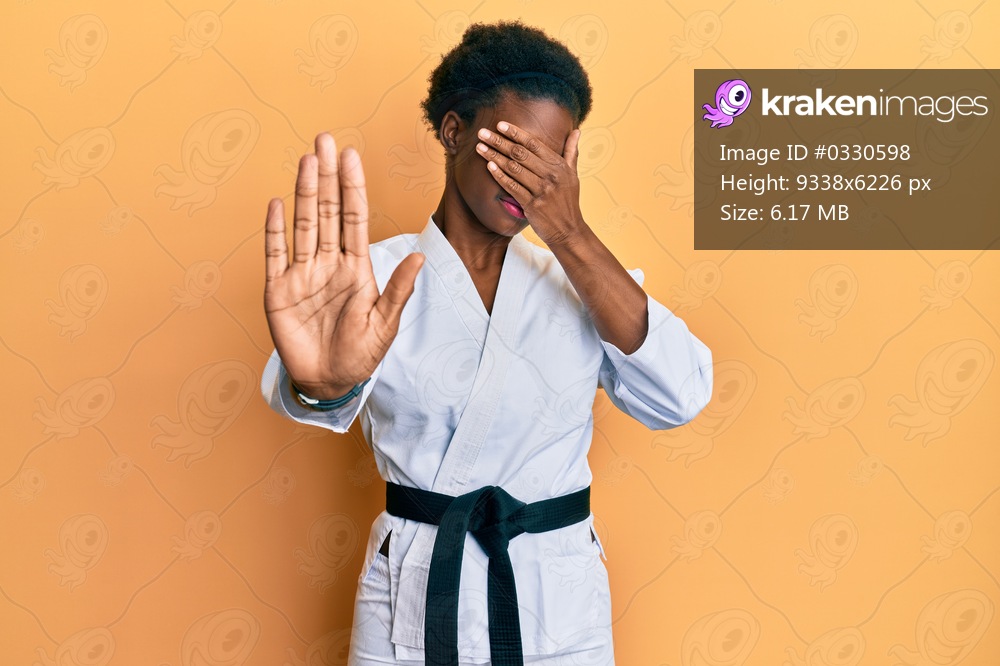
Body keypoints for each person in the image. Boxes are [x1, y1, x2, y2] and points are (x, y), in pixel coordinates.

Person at [260, 20, 713, 666]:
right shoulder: (370, 278)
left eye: (549, 164)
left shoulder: (585, 284)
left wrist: (573, 235)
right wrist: (323, 386)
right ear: (453, 132)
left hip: (560, 604)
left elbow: (682, 394)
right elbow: (316, 391)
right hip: (411, 601)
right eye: (511, 151)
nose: (529, 183)